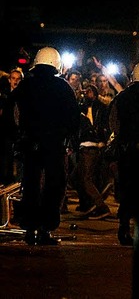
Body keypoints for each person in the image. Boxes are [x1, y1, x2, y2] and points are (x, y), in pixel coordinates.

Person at [11, 47, 80, 245]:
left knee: (30, 185)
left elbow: (13, 113)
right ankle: (45, 229)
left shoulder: (25, 86)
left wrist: (18, 138)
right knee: (54, 186)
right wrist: (69, 141)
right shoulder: (63, 87)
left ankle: (29, 228)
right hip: (54, 146)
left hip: (30, 145)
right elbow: (73, 118)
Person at [109, 61, 139, 246]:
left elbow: (113, 122)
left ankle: (124, 227)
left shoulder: (122, 97)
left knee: (127, 190)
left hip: (127, 151)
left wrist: (122, 139)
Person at [73, 84, 112, 219]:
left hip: (91, 145)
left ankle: (100, 206)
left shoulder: (100, 108)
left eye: (90, 92)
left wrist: (103, 140)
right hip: (84, 145)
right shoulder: (81, 107)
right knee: (76, 176)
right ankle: (89, 203)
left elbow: (101, 125)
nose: (87, 94)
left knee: (86, 178)